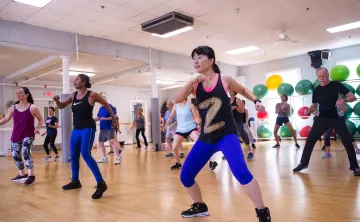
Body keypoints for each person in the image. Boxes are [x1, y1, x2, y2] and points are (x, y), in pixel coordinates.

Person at [175, 46, 271, 221]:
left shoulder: (224, 80)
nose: (195, 60)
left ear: (211, 61)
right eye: (193, 57)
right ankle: (200, 206)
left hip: (227, 135)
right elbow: (178, 99)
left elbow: (242, 90)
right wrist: (190, 82)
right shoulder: (195, 85)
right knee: (186, 175)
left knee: (241, 172)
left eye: (200, 57)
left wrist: (256, 101)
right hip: (206, 138)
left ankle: (262, 212)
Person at [53, 74, 117, 199]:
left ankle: (101, 183)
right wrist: (56, 101)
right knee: (74, 155)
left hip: (88, 128)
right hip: (76, 129)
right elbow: (61, 106)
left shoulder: (92, 95)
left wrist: (113, 117)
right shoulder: (73, 95)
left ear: (84, 81)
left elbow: (106, 104)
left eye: (76, 79)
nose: (74, 81)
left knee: (85, 153)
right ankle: (75, 181)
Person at [293, 67, 360, 176]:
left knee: (347, 141)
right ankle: (303, 163)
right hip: (321, 120)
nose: (322, 78)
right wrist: (310, 110)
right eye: (319, 77)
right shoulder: (316, 90)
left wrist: (343, 100)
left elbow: (353, 97)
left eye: (323, 76)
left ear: (327, 74)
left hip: (336, 118)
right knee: (310, 140)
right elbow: (314, 105)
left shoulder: (337, 85)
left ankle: (355, 167)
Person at [0, 87, 43, 185]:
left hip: (28, 135)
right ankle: (22, 174)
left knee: (25, 152)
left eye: (20, 92)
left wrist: (37, 128)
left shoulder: (32, 108)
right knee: (15, 155)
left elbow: (41, 119)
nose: (18, 94)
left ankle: (31, 175)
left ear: (27, 94)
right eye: (17, 93)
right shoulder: (13, 108)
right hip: (16, 135)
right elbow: (6, 119)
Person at [163, 98, 201, 170]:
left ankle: (211, 162)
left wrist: (199, 124)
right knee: (174, 148)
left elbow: (196, 116)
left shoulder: (190, 105)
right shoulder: (175, 106)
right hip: (180, 129)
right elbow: (171, 117)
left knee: (200, 143)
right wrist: (166, 125)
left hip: (191, 128)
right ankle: (178, 163)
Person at [95, 92, 121, 165]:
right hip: (102, 128)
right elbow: (98, 117)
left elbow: (115, 116)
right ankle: (104, 158)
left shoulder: (110, 106)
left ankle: (118, 158)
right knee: (100, 143)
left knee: (112, 142)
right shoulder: (101, 108)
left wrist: (106, 119)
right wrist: (92, 120)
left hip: (109, 127)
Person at [229, 91, 255, 159]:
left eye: (230, 91)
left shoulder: (237, 100)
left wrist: (236, 107)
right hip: (230, 121)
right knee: (230, 136)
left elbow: (241, 111)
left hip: (238, 120)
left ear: (234, 92)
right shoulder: (228, 100)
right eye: (229, 91)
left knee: (242, 134)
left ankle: (250, 151)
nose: (229, 92)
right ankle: (230, 152)